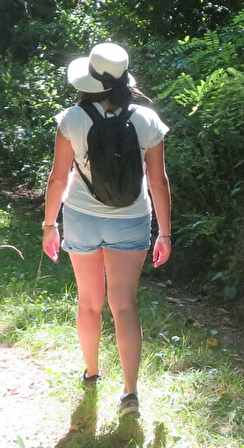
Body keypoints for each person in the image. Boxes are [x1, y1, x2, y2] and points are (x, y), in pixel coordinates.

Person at [41, 42, 171, 412]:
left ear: (89, 81)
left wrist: (51, 225)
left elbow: (57, 179)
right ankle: (130, 393)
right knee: (125, 306)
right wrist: (165, 232)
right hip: (132, 219)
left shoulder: (72, 118)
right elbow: (158, 181)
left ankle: (92, 373)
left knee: (89, 304)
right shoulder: (147, 119)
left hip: (81, 218)